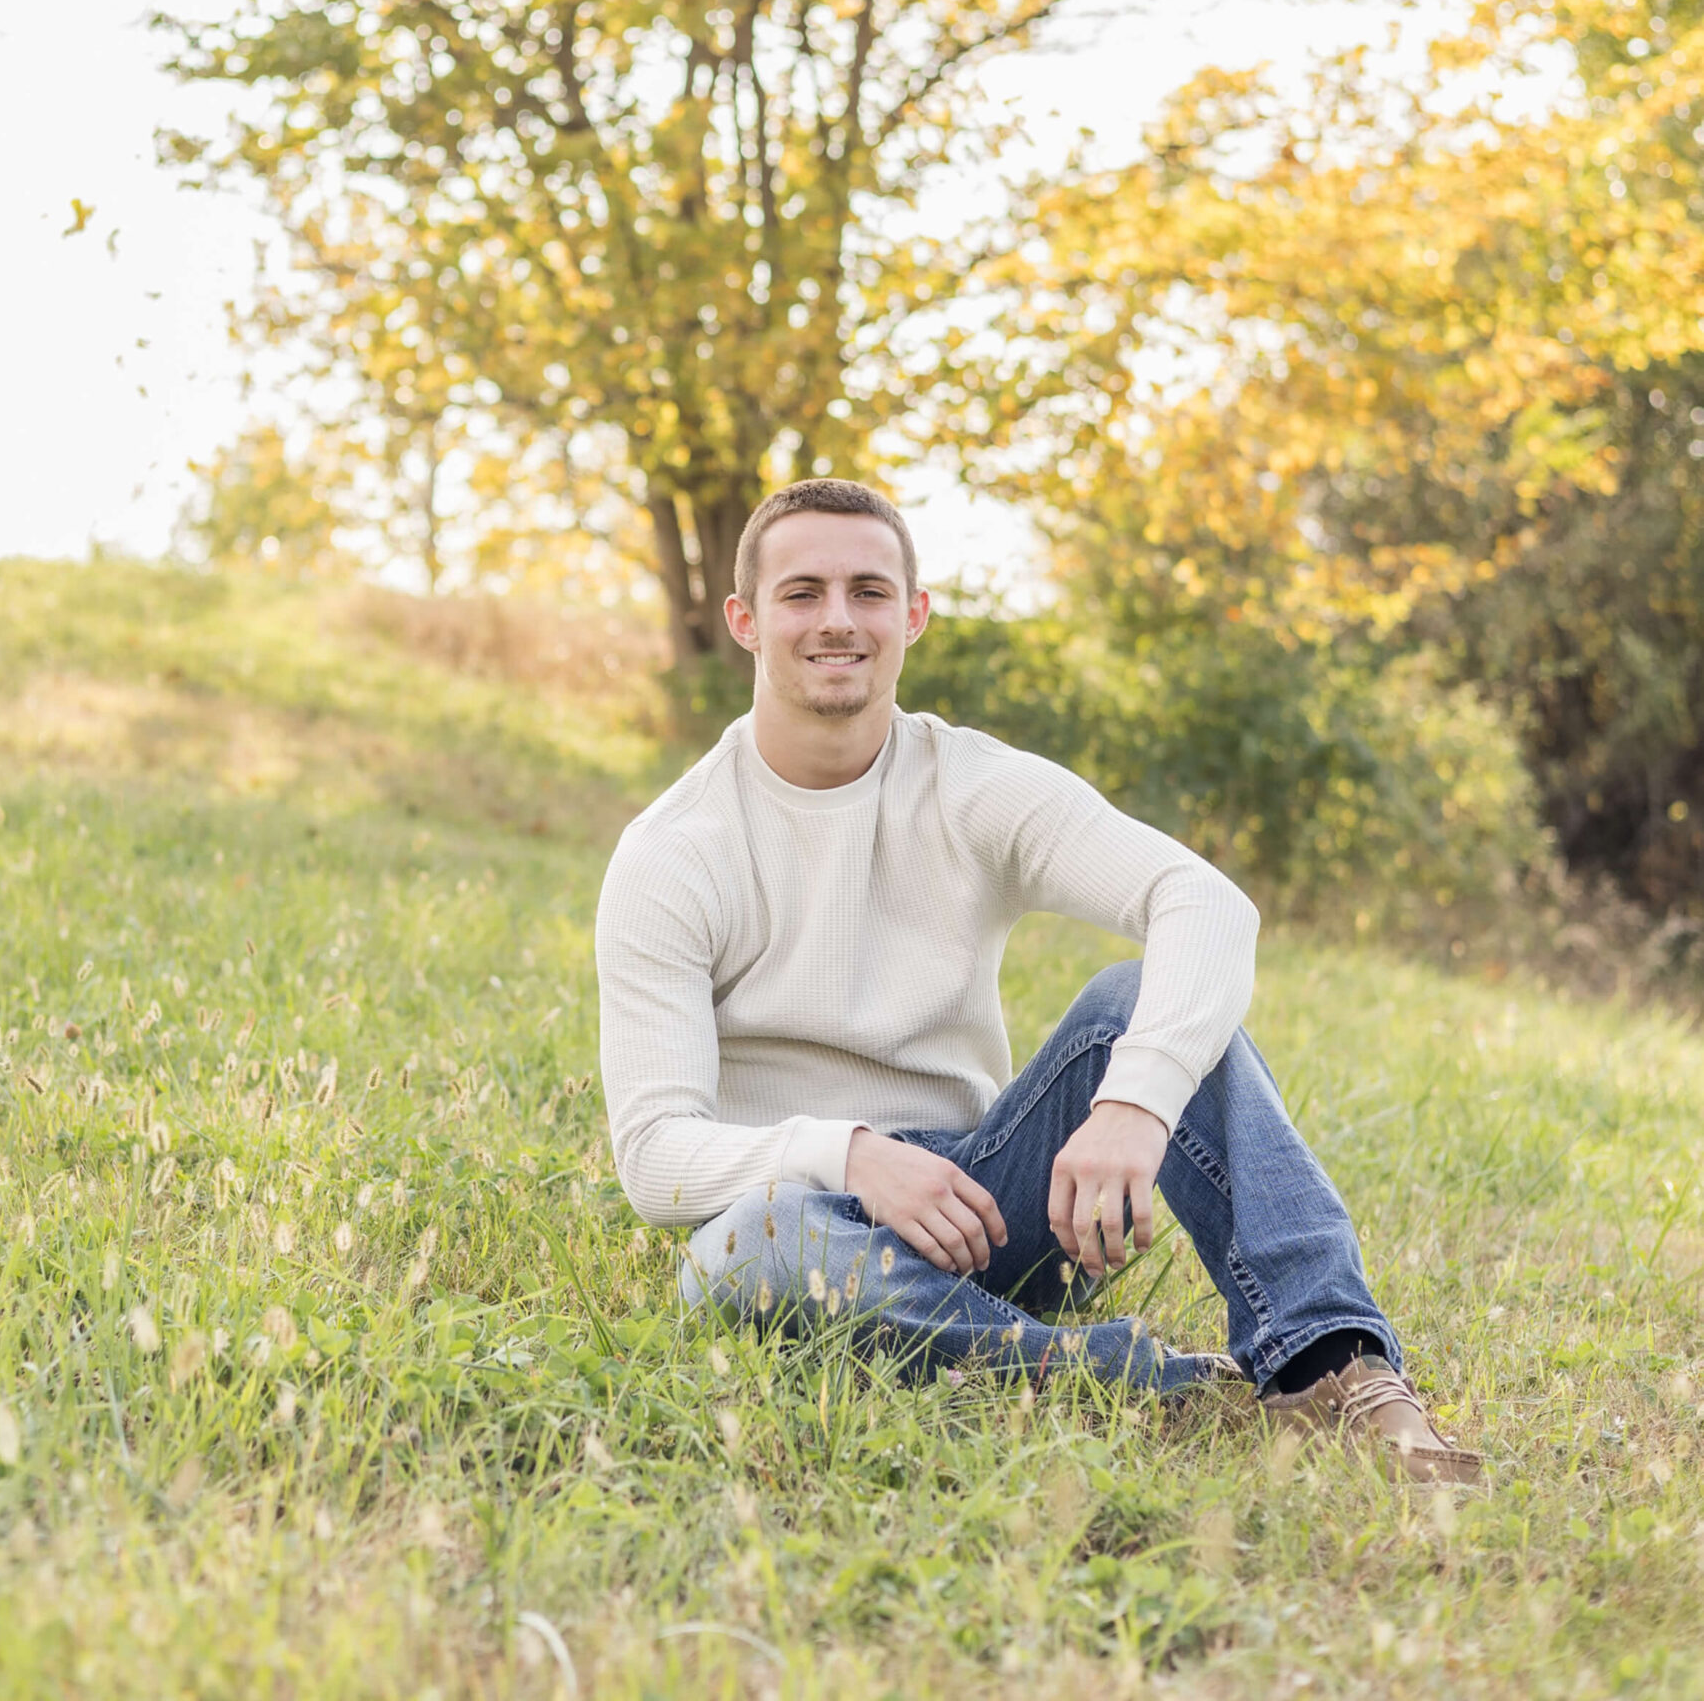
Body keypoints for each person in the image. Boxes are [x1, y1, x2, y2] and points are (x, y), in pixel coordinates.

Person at [595, 479, 1481, 1484]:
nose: (837, 619)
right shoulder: (675, 851)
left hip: (986, 1205)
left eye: (868, 591)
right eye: (802, 592)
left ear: (913, 616)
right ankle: (1121, 1379)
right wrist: (846, 1156)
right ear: (746, 620)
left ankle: (1329, 1369)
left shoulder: (972, 785)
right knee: (744, 1250)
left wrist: (1135, 1106)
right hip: (804, 1221)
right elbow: (655, 1159)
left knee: (1133, 1000)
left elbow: (1205, 903)